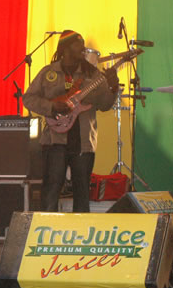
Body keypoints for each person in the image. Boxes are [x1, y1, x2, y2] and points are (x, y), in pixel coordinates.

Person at [23, 30, 119, 212]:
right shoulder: (48, 73)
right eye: (77, 44)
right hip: (54, 141)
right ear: (65, 48)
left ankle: (79, 236)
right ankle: (46, 233)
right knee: (51, 190)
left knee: (82, 193)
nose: (82, 48)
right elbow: (28, 99)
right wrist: (52, 107)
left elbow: (105, 104)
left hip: (83, 143)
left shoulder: (93, 75)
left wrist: (113, 87)